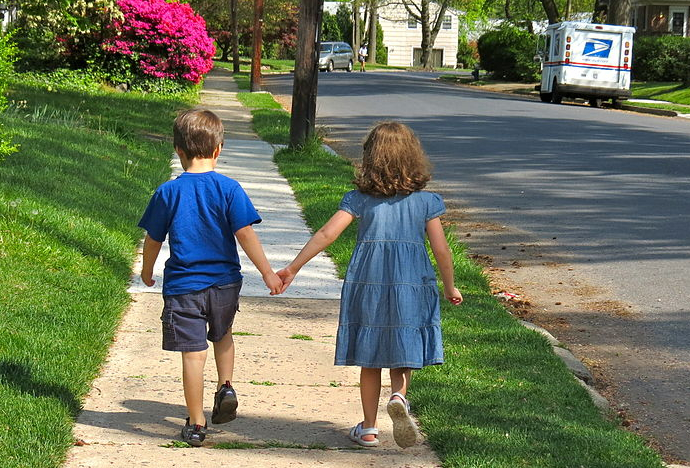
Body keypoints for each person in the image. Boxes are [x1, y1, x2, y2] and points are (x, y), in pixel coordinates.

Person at [277, 121, 462, 448]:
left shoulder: (359, 199)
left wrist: (294, 267)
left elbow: (327, 234)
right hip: (413, 282)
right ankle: (399, 397)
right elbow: (441, 250)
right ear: (414, 156)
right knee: (405, 344)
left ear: (370, 158)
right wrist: (449, 286)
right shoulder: (427, 202)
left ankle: (369, 428)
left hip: (369, 280)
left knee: (370, 356)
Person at [139, 109, 283, 447]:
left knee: (193, 354)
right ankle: (226, 386)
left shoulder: (168, 193)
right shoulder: (230, 189)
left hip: (184, 286)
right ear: (218, 150)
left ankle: (197, 422)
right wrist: (267, 273)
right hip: (225, 284)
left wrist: (147, 271)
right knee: (224, 335)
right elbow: (245, 234)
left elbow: (153, 239)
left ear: (178, 150)